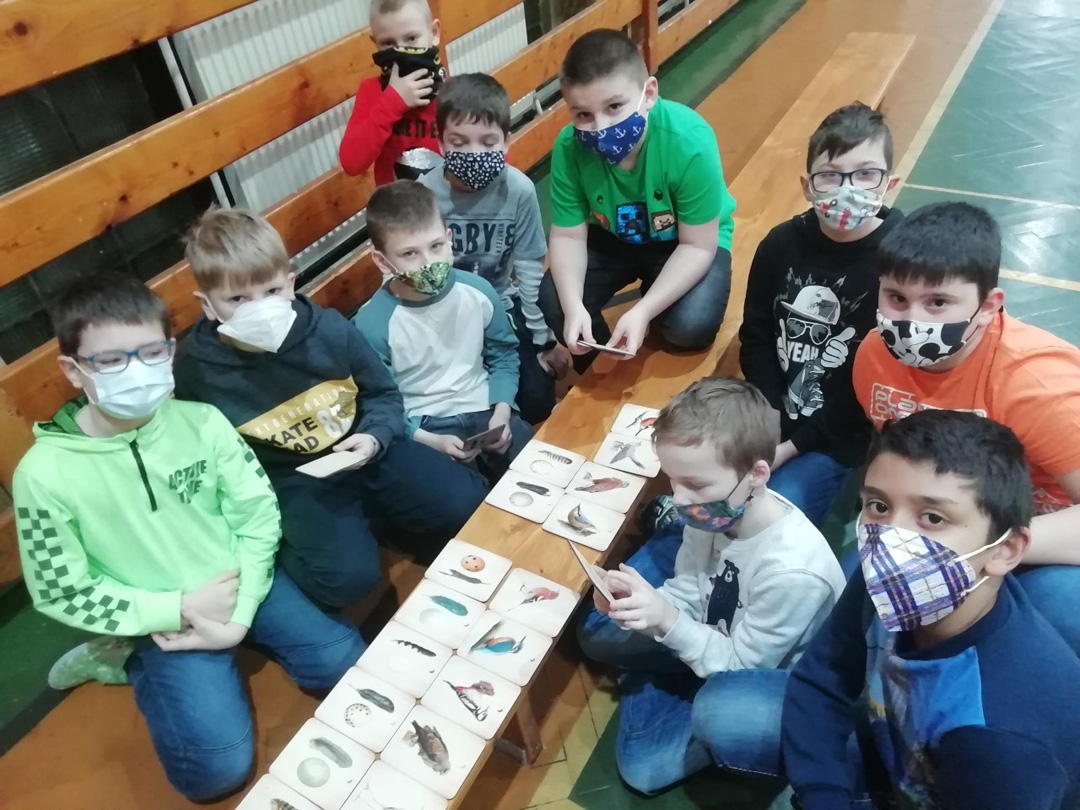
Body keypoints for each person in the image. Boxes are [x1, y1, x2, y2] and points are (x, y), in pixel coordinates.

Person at [13, 274, 366, 801]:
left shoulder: (202, 422)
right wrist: (175, 608)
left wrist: (238, 614)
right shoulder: (42, 475)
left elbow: (256, 514)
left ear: (169, 351)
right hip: (158, 617)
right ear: (73, 369)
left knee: (348, 666)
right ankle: (121, 657)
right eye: (110, 360)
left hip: (239, 582)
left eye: (151, 352)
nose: (136, 371)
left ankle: (238, 637)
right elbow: (62, 589)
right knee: (215, 772)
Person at [173, 208, 486, 608]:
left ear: (290, 283)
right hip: (295, 481)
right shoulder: (196, 369)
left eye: (271, 291)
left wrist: (374, 437)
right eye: (237, 299)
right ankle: (306, 547)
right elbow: (214, 453)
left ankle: (375, 519)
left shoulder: (329, 329)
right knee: (346, 583)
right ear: (207, 305)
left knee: (466, 500)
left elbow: (383, 394)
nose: (259, 309)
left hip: (366, 450)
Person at [783, 410, 1080, 809]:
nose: (891, 538)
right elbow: (821, 679)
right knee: (736, 712)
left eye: (933, 518)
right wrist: (824, 796)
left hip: (969, 780)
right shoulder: (891, 578)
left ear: (1004, 550)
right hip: (899, 754)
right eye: (878, 505)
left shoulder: (1000, 738)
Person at [578, 377, 845, 794]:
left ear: (757, 474)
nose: (679, 500)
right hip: (712, 635)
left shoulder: (793, 573)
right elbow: (688, 588)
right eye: (672, 480)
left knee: (645, 769)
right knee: (600, 628)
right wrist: (645, 605)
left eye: (696, 484)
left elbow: (743, 670)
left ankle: (662, 673)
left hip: (754, 674)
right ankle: (671, 668)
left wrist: (666, 622)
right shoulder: (712, 513)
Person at [852, 201, 1080, 651]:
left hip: (1035, 539)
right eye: (896, 298)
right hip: (926, 526)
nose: (911, 321)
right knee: (856, 598)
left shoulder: (1039, 386)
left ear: (989, 306)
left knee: (1056, 612)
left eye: (938, 302)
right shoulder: (873, 356)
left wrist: (980, 548)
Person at [739, 103, 903, 525]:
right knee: (710, 479)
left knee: (769, 514)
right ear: (807, 186)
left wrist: (790, 448)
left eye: (866, 174)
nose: (847, 189)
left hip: (842, 435)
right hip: (774, 414)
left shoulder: (900, 262)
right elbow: (756, 338)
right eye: (830, 175)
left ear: (890, 183)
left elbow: (875, 388)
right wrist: (771, 418)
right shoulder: (780, 245)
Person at [539, 29, 736, 368]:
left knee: (691, 327)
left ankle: (654, 299)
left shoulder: (690, 141)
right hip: (611, 238)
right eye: (583, 114)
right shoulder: (569, 146)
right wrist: (574, 307)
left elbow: (698, 245)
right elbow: (568, 235)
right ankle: (599, 362)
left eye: (614, 106)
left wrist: (644, 310)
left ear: (649, 94)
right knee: (554, 301)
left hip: (684, 240)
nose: (600, 127)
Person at [353, 180, 532, 483]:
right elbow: (380, 400)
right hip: (422, 426)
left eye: (436, 246)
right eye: (410, 254)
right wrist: (427, 439)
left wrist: (502, 411)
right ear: (382, 261)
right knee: (463, 499)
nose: (429, 263)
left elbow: (503, 355)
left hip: (485, 408)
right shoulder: (371, 323)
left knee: (540, 471)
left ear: (449, 239)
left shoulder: (478, 291)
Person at [420, 73, 571, 424]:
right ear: (440, 143)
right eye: (459, 142)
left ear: (506, 142)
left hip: (500, 304)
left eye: (488, 142)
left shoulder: (519, 190)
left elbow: (530, 272)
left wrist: (544, 341)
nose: (474, 153)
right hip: (444, 312)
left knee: (535, 402)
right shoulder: (424, 195)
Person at [339, 0, 446, 184]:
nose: (401, 50)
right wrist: (393, 102)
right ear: (375, 43)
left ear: (434, 33)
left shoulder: (454, 93)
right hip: (394, 201)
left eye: (411, 38)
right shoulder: (371, 91)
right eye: (388, 43)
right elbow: (351, 163)